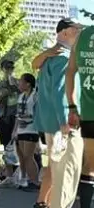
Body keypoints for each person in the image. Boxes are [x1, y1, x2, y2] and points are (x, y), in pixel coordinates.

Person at [33, 18, 84, 208]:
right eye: (76, 30)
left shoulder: (51, 57)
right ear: (64, 33)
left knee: (56, 168)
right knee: (65, 172)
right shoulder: (63, 58)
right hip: (62, 123)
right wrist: (66, 122)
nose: (79, 33)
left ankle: (42, 203)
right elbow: (60, 93)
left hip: (50, 122)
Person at [66, 22, 94, 207]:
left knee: (90, 166)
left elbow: (70, 73)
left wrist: (72, 106)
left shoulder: (82, 37)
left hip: (89, 112)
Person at [14, 73, 40, 191]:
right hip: (21, 128)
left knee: (29, 156)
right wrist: (15, 130)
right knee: (23, 156)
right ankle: (25, 179)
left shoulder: (35, 96)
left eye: (21, 81)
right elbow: (17, 114)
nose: (19, 83)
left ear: (28, 83)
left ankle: (34, 181)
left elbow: (38, 112)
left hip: (31, 127)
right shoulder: (21, 96)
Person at [0, 59, 20, 151]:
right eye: (7, 68)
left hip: (17, 117)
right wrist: (1, 95)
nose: (9, 70)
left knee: (18, 143)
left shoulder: (18, 82)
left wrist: (16, 86)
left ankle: (18, 164)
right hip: (4, 115)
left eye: (12, 68)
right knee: (6, 143)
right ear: (2, 69)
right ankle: (8, 163)